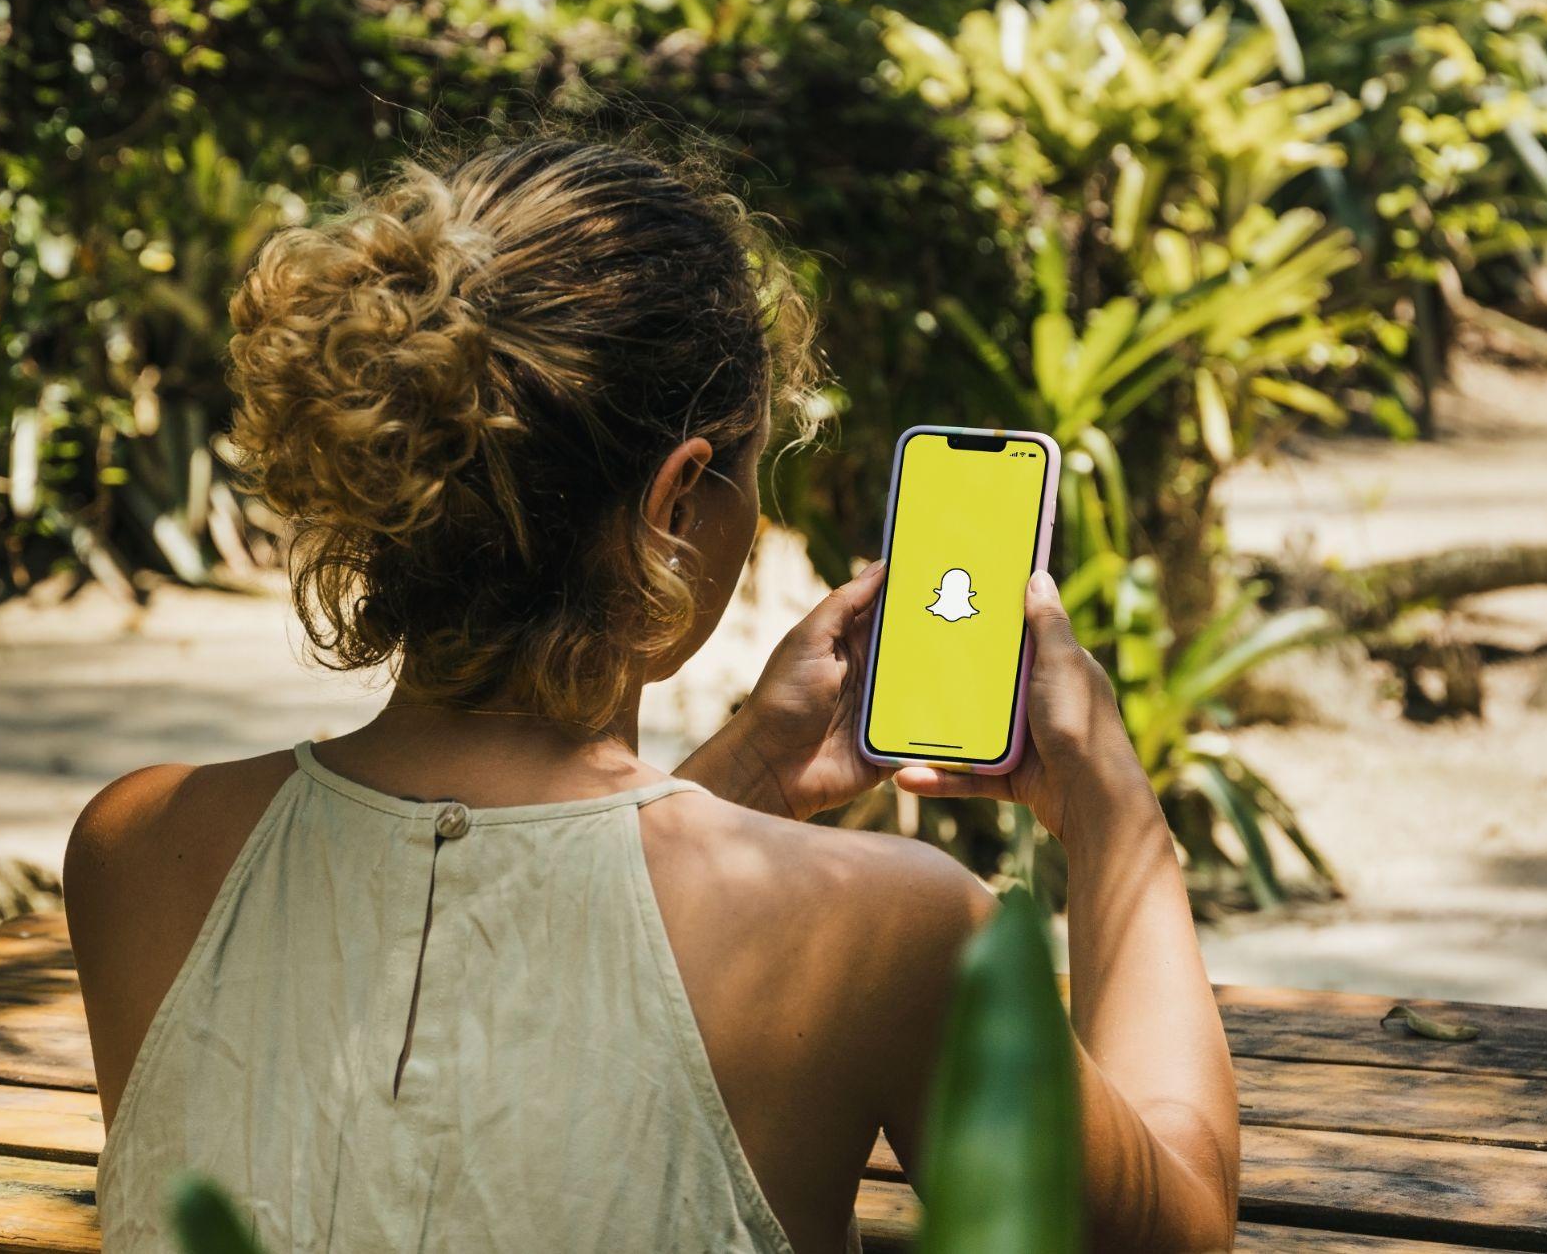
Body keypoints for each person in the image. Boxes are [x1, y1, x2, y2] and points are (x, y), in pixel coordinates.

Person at [66, 136, 1238, 1254]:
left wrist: (743, 780)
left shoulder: (139, 850)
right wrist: (1112, 813)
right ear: (677, 502)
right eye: (751, 469)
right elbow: (1175, 1222)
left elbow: (480, 1083)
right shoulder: (886, 931)